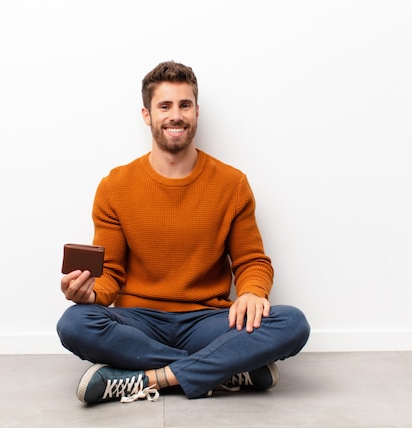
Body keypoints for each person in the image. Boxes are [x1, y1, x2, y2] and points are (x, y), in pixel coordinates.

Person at [57, 61, 310, 405]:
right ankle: (224, 368)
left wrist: (252, 292)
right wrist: (88, 295)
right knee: (74, 323)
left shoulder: (231, 184)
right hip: (139, 321)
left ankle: (147, 379)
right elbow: (111, 273)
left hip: (208, 320)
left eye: (184, 105)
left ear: (196, 112)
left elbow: (252, 261)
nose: (175, 115)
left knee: (292, 323)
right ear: (147, 115)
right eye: (165, 106)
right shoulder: (115, 186)